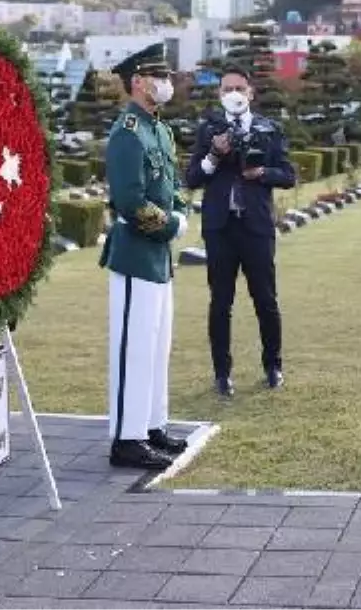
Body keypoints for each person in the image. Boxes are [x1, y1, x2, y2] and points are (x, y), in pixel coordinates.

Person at [98, 42, 190, 471]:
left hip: (158, 259)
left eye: (167, 76)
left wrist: (181, 211)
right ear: (137, 82)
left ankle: (152, 425)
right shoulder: (128, 133)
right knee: (133, 349)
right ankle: (126, 438)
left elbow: (172, 186)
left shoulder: (159, 130)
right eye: (159, 76)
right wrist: (172, 225)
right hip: (136, 255)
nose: (166, 83)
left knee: (157, 347)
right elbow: (130, 201)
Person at [185, 65, 295, 397]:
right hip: (220, 228)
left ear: (250, 93)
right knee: (220, 302)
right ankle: (222, 373)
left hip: (256, 226)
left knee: (266, 299)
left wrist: (262, 172)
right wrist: (214, 155)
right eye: (226, 89)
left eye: (239, 88)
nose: (233, 94)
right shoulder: (209, 129)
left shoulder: (269, 129)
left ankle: (273, 366)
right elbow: (191, 178)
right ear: (219, 94)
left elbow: (288, 175)